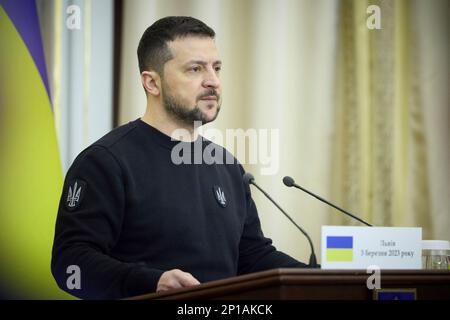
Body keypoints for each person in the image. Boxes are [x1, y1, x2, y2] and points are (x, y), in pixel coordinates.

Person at [51, 16, 307, 300]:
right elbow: (70, 264)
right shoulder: (105, 162)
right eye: (195, 69)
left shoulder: (226, 164)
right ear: (152, 83)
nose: (213, 82)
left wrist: (325, 276)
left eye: (217, 68)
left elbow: (253, 256)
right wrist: (152, 282)